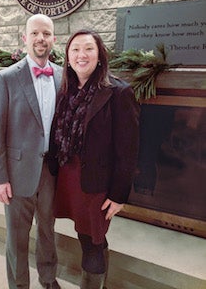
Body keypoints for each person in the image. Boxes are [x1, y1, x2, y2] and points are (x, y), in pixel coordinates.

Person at [48, 29, 140, 289]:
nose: (81, 55)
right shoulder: (65, 88)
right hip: (68, 177)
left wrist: (119, 195)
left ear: (99, 55)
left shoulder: (119, 93)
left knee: (92, 241)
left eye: (88, 48)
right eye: (75, 49)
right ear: (67, 56)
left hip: (96, 184)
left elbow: (129, 149)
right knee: (84, 235)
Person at [0, 14, 63, 289]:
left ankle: (48, 277)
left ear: (53, 39)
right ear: (25, 38)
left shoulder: (61, 76)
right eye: (35, 34)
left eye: (46, 34)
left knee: (47, 230)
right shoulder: (6, 78)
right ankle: (19, 285)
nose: (40, 38)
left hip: (51, 171)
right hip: (17, 173)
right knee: (17, 237)